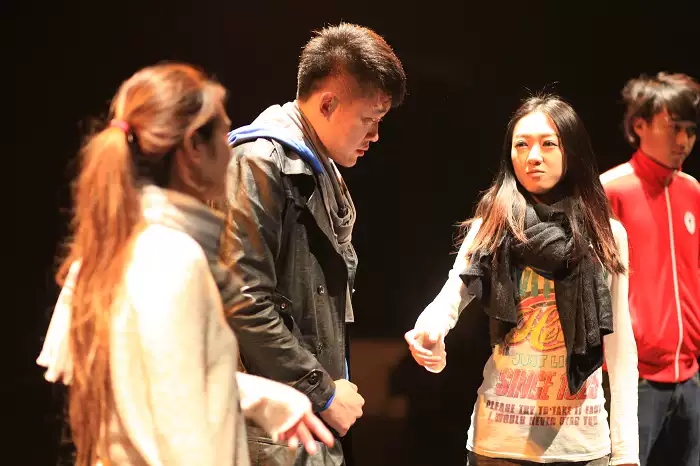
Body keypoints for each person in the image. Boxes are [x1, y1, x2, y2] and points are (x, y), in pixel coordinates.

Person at [36, 62, 334, 466]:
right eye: (223, 135)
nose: (231, 150)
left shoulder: (120, 245)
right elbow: (181, 431)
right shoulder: (171, 258)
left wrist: (262, 396)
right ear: (194, 146)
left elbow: (154, 376)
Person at [405, 95, 640, 465]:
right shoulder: (493, 225)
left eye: (548, 144)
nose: (533, 156)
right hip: (499, 443)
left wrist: (626, 451)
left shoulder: (606, 234)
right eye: (521, 144)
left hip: (581, 444)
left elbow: (621, 347)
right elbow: (451, 296)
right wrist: (428, 332)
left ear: (571, 150)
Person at [220, 22, 406, 465]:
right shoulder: (259, 161)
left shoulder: (322, 171)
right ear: (327, 103)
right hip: (269, 428)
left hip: (302, 422)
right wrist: (322, 392)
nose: (375, 135)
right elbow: (244, 301)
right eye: (369, 119)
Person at [599, 72, 700, 466]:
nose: (684, 140)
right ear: (639, 125)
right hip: (634, 378)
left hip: (689, 376)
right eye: (674, 128)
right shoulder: (610, 190)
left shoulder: (692, 190)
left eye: (691, 130)